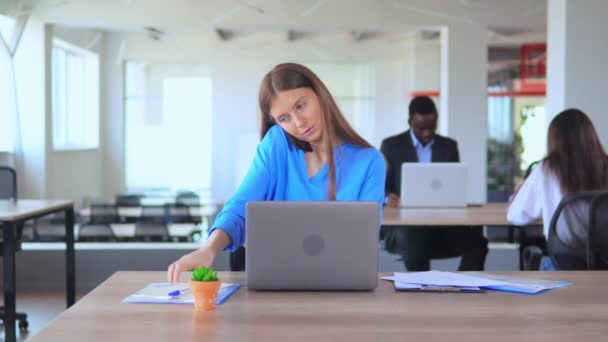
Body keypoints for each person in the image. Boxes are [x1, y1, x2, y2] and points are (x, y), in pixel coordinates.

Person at [167, 63, 386, 283]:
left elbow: (362, 243)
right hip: (276, 284)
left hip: (341, 283)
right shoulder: (276, 144)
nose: (299, 122)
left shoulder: (369, 162)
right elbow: (239, 207)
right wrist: (209, 249)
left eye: (301, 105)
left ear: (320, 94)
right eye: (284, 118)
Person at [380, 96, 488, 271]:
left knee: (477, 243)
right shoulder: (391, 145)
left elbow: (454, 184)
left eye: (431, 127)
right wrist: (387, 197)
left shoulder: (449, 146)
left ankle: (463, 287)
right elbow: (382, 185)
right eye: (421, 127)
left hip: (442, 222)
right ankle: (421, 291)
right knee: (416, 243)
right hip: (406, 224)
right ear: (410, 122)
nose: (427, 133)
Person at [508, 109, 608, 266]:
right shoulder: (605, 164)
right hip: (604, 262)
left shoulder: (546, 169)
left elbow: (516, 216)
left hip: (564, 263)